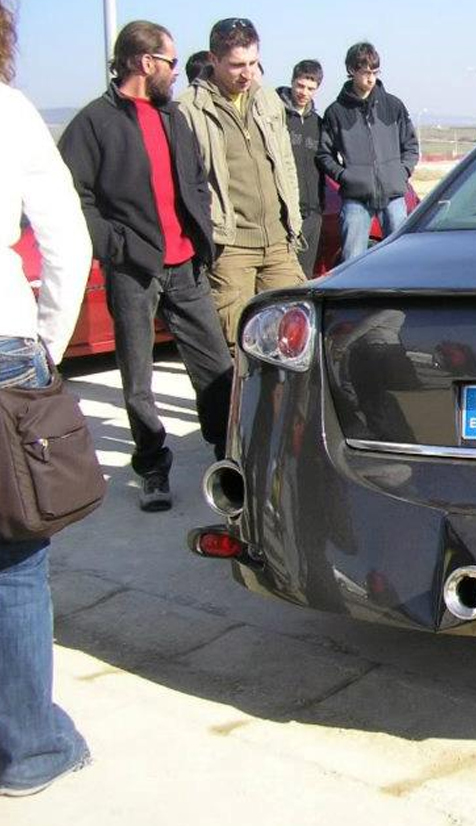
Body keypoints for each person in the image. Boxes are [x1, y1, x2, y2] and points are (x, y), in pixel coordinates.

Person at [58, 20, 234, 511]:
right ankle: (153, 467)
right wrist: (116, 245)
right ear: (144, 61)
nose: (176, 72)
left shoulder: (173, 117)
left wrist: (200, 234)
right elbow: (72, 197)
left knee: (217, 369)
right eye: (171, 62)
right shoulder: (94, 123)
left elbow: (195, 179)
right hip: (133, 270)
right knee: (138, 380)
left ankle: (227, 458)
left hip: (186, 266)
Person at [0, 0, 92, 795]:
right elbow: (66, 239)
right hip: (3, 348)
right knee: (15, 562)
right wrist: (46, 352)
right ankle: (31, 749)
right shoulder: (9, 111)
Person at [178, 17, 304, 349]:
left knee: (295, 341)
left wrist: (293, 218)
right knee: (238, 345)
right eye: (237, 65)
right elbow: (187, 184)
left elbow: (285, 163)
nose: (247, 73)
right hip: (230, 247)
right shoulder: (189, 110)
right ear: (214, 59)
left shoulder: (267, 99)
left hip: (278, 241)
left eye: (252, 63)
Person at [317, 42, 418, 263]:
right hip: (356, 198)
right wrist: (345, 176)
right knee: (353, 261)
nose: (371, 79)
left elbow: (411, 145)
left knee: (402, 259)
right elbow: (324, 154)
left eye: (375, 72)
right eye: (365, 73)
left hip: (393, 195)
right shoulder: (336, 112)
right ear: (351, 70)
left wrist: (401, 172)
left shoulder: (393, 106)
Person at [278, 59, 326, 276]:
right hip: (284, 212)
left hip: (312, 212)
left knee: (304, 275)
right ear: (292, 81)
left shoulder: (318, 124)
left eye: (310, 88)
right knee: (281, 275)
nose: (304, 92)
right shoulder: (276, 116)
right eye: (300, 86)